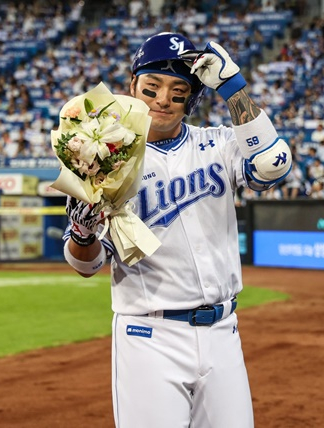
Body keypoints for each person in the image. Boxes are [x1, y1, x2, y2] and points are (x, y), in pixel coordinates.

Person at [61, 32, 292, 428]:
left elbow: (272, 165)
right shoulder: (101, 162)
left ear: (193, 98)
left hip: (223, 333)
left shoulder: (218, 143)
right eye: (152, 87)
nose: (163, 98)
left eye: (178, 90)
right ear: (132, 86)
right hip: (150, 335)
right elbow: (87, 265)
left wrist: (233, 87)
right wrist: (82, 233)